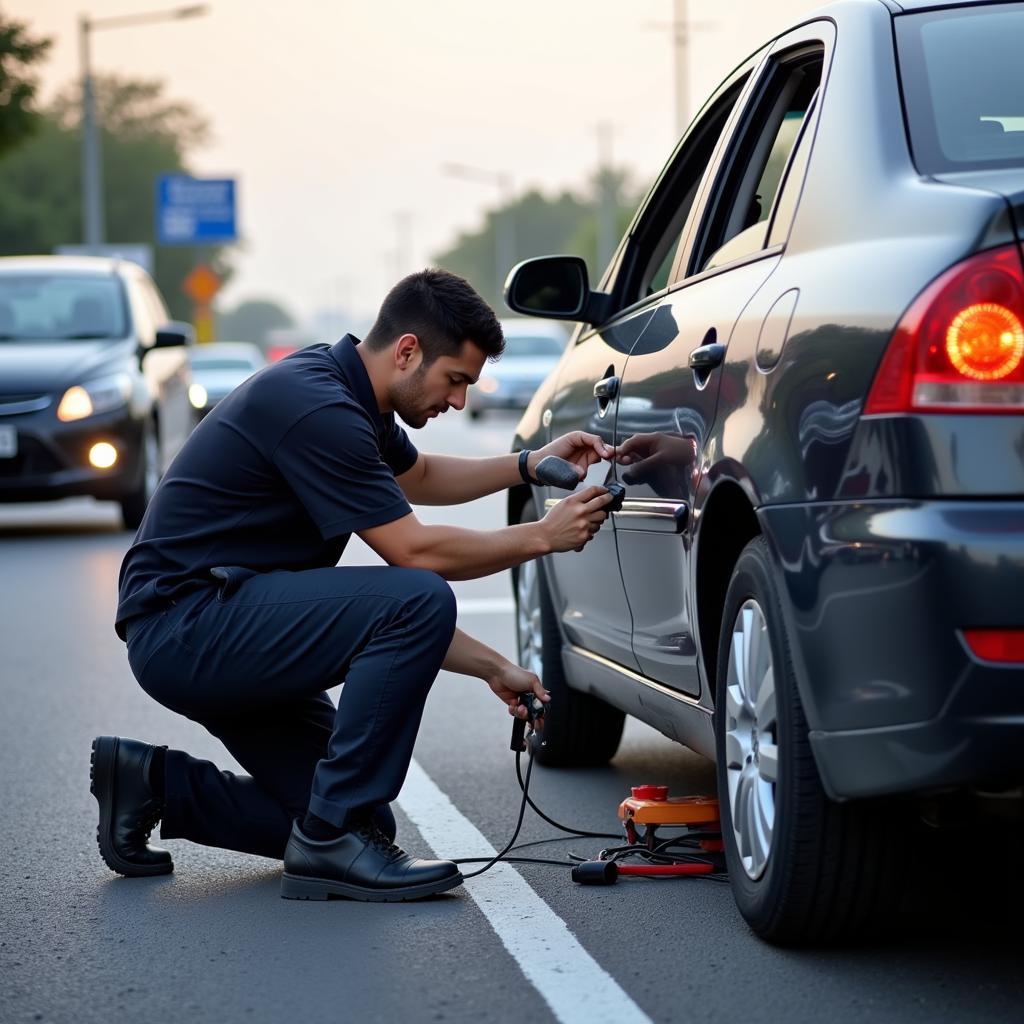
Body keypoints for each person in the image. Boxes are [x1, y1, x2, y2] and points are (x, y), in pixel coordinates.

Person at [92, 268, 614, 903]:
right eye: (456, 380)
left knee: (360, 818)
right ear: (407, 351)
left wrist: (529, 465)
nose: (458, 402)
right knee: (416, 601)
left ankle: (153, 783)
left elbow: (418, 476)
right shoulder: (317, 407)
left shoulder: (346, 394)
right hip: (188, 625)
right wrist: (540, 536)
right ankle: (328, 842)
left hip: (226, 621)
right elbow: (414, 557)